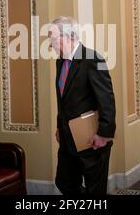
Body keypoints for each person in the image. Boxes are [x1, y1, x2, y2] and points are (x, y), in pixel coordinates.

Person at [48, 16, 116, 195]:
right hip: (67, 137)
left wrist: (104, 134)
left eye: (53, 39)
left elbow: (107, 100)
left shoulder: (94, 59)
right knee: (64, 182)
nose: (50, 44)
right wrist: (59, 127)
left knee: (95, 190)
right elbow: (64, 100)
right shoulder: (60, 61)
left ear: (69, 36)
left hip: (92, 140)